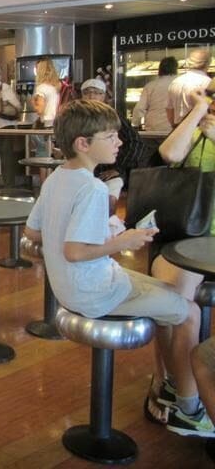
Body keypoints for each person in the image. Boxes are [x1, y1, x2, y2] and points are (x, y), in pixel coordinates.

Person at [24, 99, 208, 437]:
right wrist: (124, 242)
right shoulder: (93, 187)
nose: (119, 143)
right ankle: (189, 409)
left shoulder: (56, 178)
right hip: (95, 290)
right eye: (111, 137)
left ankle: (171, 387)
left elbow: (33, 231)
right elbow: (76, 251)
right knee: (190, 313)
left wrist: (97, 229)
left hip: (70, 286)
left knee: (171, 300)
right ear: (83, 143)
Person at [147, 85, 215, 433]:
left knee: (181, 302)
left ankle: (187, 402)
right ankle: (172, 381)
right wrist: (196, 114)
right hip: (183, 234)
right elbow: (170, 153)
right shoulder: (199, 127)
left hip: (210, 240)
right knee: (166, 293)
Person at [80, 78, 145, 212]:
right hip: (85, 171)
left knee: (109, 201)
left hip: (109, 171)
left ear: (103, 96)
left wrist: (119, 167)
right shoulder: (77, 118)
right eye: (87, 93)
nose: (91, 96)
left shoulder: (113, 117)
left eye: (96, 93)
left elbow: (135, 143)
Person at [167, 48, 212, 127]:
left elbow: (169, 109)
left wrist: (175, 127)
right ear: (207, 63)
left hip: (179, 128)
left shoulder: (175, 82)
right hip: (199, 130)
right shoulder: (208, 83)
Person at [132, 56, 177, 132]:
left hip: (153, 127)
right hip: (174, 127)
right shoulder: (180, 85)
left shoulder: (150, 86)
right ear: (175, 69)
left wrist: (135, 124)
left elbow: (139, 108)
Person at [31, 58, 61, 156]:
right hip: (56, 124)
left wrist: (33, 102)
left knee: (42, 154)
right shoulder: (55, 87)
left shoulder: (41, 88)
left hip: (45, 126)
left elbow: (40, 109)